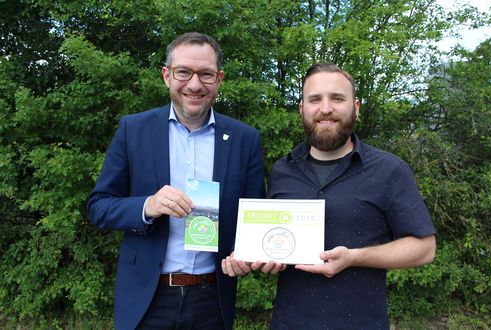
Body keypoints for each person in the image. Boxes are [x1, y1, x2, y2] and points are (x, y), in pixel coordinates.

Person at [222, 62, 436, 329]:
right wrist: (255, 257)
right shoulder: (282, 170)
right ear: (302, 109)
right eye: (315, 99)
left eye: (337, 98)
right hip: (289, 323)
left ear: (355, 107)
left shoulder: (389, 170)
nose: (325, 109)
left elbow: (425, 249)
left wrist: (355, 257)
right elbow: (275, 240)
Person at [88, 32, 265, 330]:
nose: (195, 84)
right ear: (167, 76)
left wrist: (246, 255)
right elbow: (98, 206)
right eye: (184, 72)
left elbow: (254, 218)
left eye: (206, 74)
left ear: (219, 79)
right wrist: (149, 205)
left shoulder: (244, 139)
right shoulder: (134, 130)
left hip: (212, 300)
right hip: (147, 298)